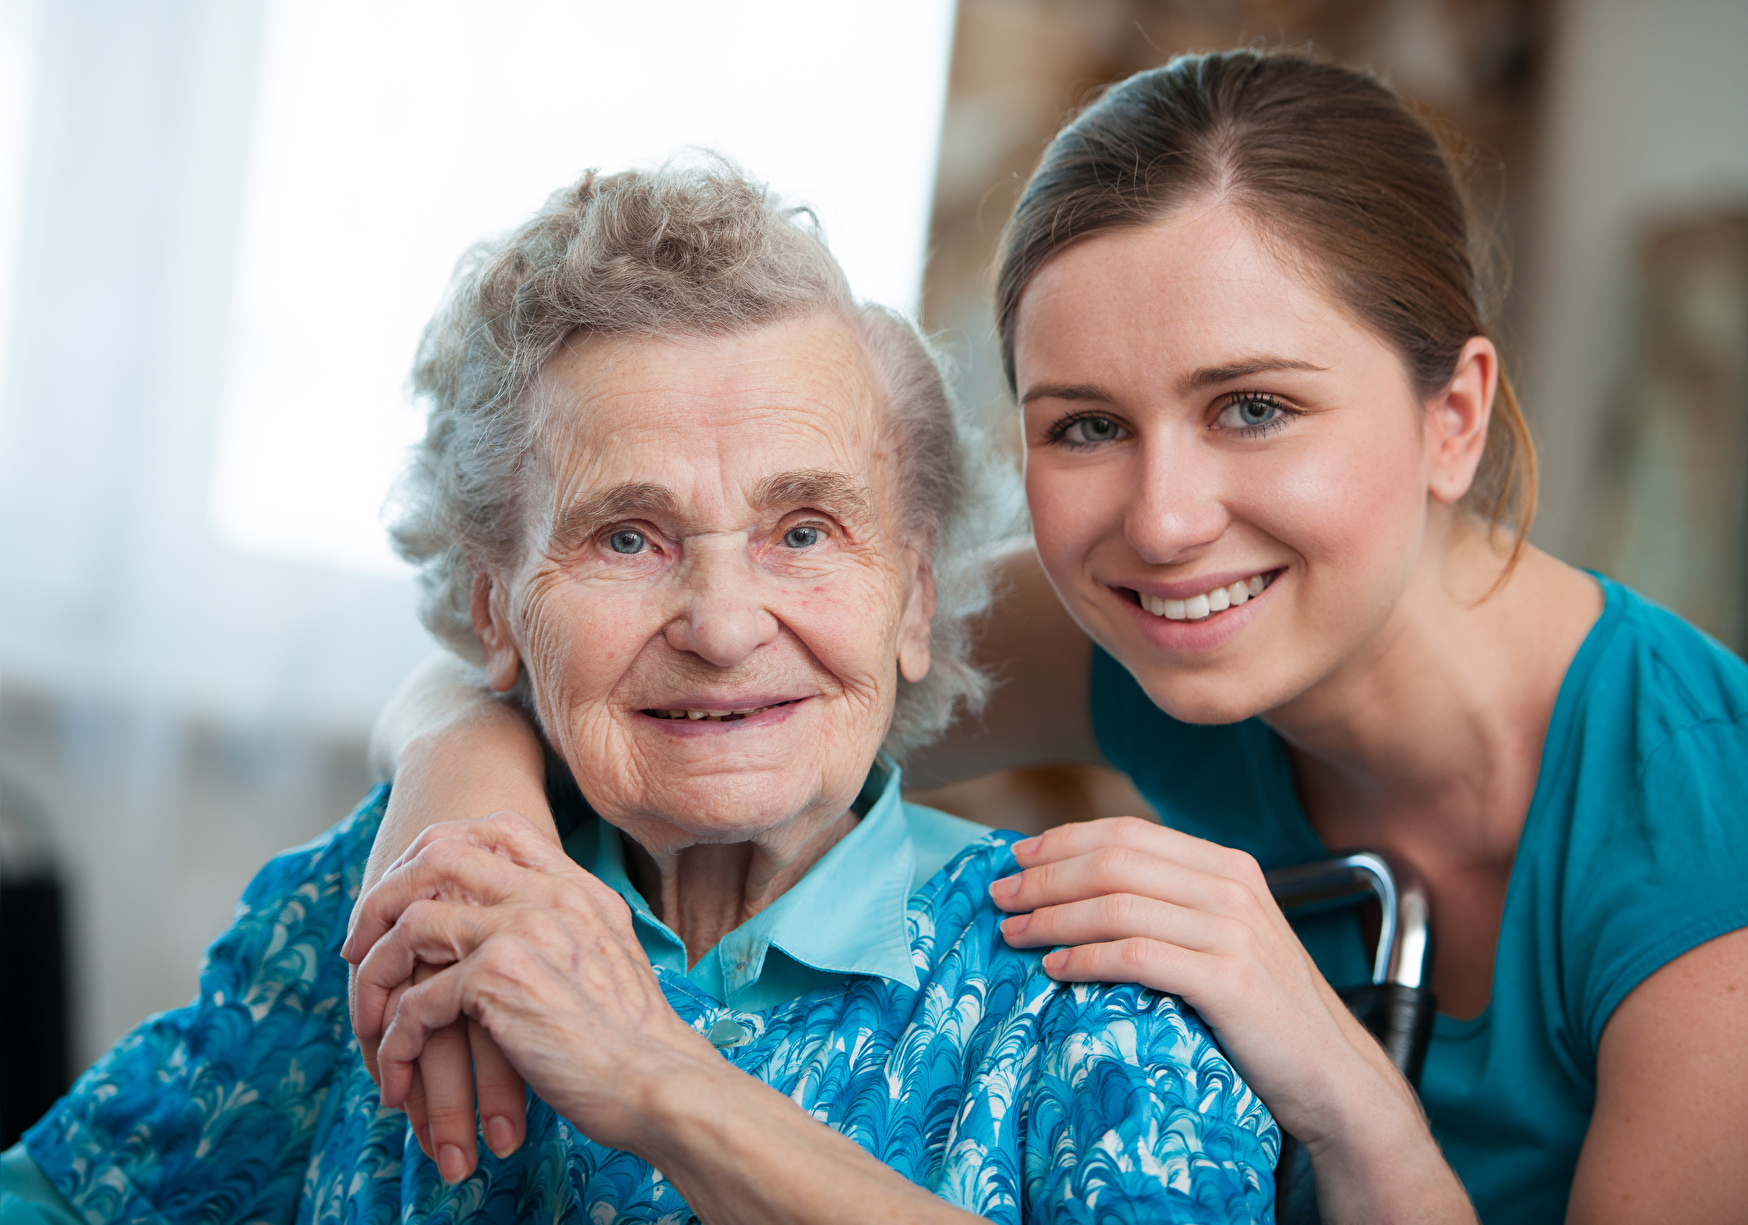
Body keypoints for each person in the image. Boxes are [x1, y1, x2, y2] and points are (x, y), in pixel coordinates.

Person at [345, 50, 1748, 1225]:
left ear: (1454, 419)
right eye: (1086, 424)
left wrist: (1338, 1081)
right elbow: (647, 662)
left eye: (1253, 406)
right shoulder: (1126, 618)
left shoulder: (1701, 832)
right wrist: (459, 829)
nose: (1167, 516)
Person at [0, 163, 1279, 1225]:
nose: (723, 627)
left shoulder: (1091, 993)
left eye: (804, 531)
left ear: (911, 600)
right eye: (626, 537)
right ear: (494, 609)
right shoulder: (385, 904)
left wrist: (657, 1076)